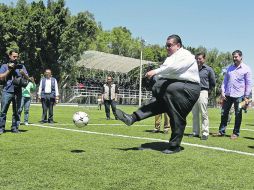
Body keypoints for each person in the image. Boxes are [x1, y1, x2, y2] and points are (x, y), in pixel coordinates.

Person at [116, 34, 201, 154]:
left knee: (175, 112)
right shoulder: (170, 58)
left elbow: (174, 68)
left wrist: (155, 72)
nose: (167, 48)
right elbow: (164, 72)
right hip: (174, 89)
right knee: (156, 103)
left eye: (169, 45)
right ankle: (132, 118)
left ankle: (174, 146)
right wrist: (154, 77)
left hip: (188, 88)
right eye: (166, 45)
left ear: (178, 45)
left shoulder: (186, 54)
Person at [214, 50, 252, 139]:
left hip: (239, 96)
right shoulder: (230, 68)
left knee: (238, 114)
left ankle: (235, 133)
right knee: (224, 113)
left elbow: (249, 83)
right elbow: (225, 81)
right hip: (227, 95)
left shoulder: (246, 68)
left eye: (236, 57)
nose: (234, 58)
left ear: (241, 57)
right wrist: (223, 91)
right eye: (233, 57)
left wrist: (246, 96)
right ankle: (221, 131)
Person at [0, 50, 29, 134]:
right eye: (14, 56)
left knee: (17, 111)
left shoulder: (21, 66)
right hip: (7, 90)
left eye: (17, 56)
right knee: (3, 111)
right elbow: (1, 77)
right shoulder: (4, 66)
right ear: (10, 56)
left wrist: (23, 73)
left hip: (18, 91)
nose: (15, 58)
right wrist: (9, 70)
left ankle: (15, 128)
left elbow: (28, 78)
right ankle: (1, 128)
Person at [190, 52, 216, 140]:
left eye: (200, 58)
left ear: (204, 59)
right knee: (195, 113)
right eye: (197, 58)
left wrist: (208, 92)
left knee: (204, 113)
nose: (198, 60)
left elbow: (213, 83)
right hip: (193, 92)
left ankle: (205, 133)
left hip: (203, 91)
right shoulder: (192, 69)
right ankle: (195, 132)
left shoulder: (208, 69)